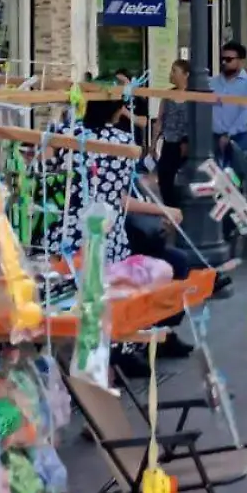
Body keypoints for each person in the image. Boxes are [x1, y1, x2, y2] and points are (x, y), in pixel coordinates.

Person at [49, 98, 190, 370]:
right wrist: (163, 210)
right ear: (117, 111)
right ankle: (124, 347)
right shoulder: (120, 142)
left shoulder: (65, 134)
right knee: (125, 284)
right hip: (104, 235)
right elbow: (119, 198)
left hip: (63, 235)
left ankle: (131, 344)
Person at [213, 42, 247, 168]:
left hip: (240, 137)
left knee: (237, 176)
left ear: (241, 61)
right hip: (213, 137)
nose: (224, 62)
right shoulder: (212, 83)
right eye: (222, 59)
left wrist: (228, 135)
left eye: (229, 59)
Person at [155, 59, 191, 205]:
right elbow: (160, 119)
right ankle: (169, 208)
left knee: (181, 179)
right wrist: (152, 144)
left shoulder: (193, 96)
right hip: (168, 142)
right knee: (164, 177)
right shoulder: (168, 95)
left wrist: (187, 141)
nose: (171, 74)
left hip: (184, 144)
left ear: (186, 74)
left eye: (174, 71)